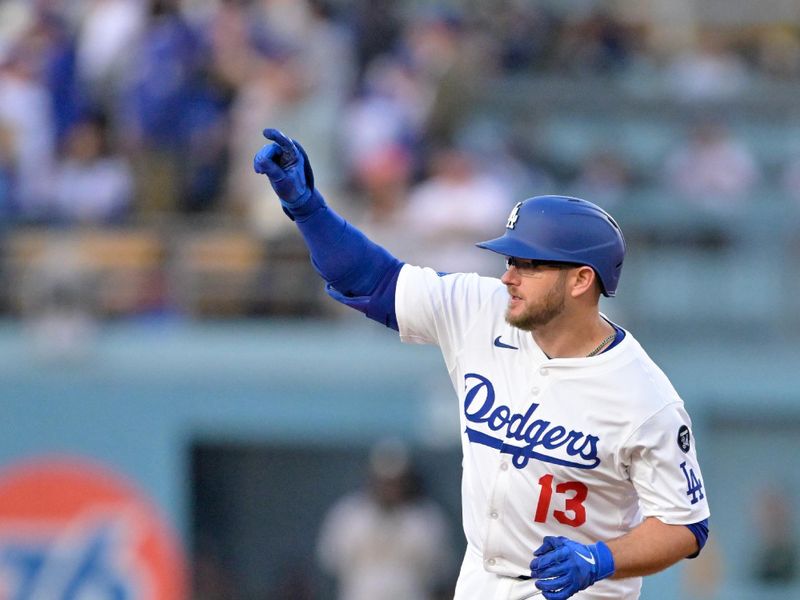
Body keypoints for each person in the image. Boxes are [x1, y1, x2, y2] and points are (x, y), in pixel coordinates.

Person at [253, 129, 710, 600]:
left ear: (580, 280)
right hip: (481, 581)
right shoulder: (481, 308)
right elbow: (369, 280)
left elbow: (685, 526)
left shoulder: (644, 397)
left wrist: (602, 558)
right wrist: (307, 210)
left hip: (579, 591)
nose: (508, 276)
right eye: (510, 259)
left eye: (529, 264)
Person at [317, 440, 454, 600]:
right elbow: (330, 562)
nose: (389, 488)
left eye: (395, 482)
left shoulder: (426, 519)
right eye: (384, 481)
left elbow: (442, 571)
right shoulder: (349, 515)